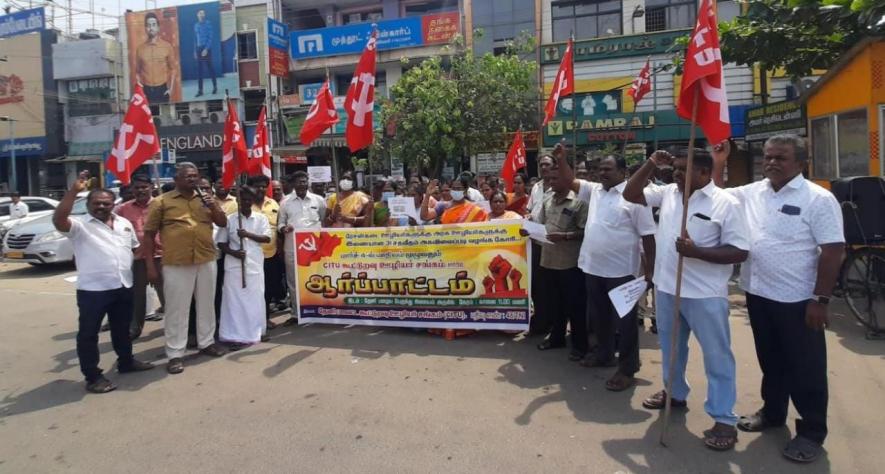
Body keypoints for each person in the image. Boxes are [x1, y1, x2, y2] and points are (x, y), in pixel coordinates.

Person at [716, 135, 844, 463]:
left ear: (800, 163)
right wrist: (718, 163)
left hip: (799, 300)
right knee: (771, 362)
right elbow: (714, 195)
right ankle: (773, 414)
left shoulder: (818, 198)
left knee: (806, 369)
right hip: (758, 294)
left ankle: (811, 432)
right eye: (768, 157)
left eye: (780, 158)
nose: (771, 162)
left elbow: (833, 251)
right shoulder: (753, 192)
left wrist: (821, 299)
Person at [623, 148, 749, 452]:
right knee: (671, 350)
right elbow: (630, 193)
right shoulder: (669, 194)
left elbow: (740, 251)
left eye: (682, 169)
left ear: (705, 173)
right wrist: (652, 162)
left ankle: (723, 419)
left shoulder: (726, 203)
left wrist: (698, 252)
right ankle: (675, 393)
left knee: (717, 358)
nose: (675, 174)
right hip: (667, 290)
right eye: (675, 168)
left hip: (705, 295)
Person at [553, 146, 656, 391]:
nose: (602, 173)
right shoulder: (595, 191)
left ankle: (628, 368)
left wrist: (651, 271)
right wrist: (562, 159)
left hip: (622, 271)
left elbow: (649, 236)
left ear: (623, 172)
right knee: (600, 317)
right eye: (600, 169)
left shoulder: (634, 197)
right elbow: (569, 180)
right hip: (593, 267)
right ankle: (604, 354)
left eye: (608, 169)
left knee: (626, 323)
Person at [53, 171, 154, 393]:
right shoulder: (79, 226)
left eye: (106, 203)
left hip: (123, 286)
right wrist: (73, 191)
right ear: (88, 204)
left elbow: (134, 249)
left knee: (122, 330)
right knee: (88, 334)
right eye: (97, 203)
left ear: (112, 204)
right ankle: (92, 376)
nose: (101, 206)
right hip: (94, 291)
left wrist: (147, 253)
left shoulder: (124, 223)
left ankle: (126, 362)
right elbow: (59, 220)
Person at [144, 163, 229, 375]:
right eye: (187, 176)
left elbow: (222, 222)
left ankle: (206, 342)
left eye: (195, 176)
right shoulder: (161, 202)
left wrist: (214, 205)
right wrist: (150, 267)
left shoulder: (205, 199)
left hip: (206, 258)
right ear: (177, 178)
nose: (192, 179)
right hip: (176, 262)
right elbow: (148, 235)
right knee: (177, 309)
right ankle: (174, 353)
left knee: (206, 304)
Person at [533, 166, 588, 361]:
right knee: (554, 304)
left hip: (570, 263)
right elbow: (539, 225)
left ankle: (580, 345)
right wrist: (529, 230)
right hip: (548, 260)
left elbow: (586, 232)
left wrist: (565, 236)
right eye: (548, 178)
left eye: (555, 178)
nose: (550, 181)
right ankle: (557, 338)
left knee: (575, 306)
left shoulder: (580, 202)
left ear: (567, 179)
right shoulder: (548, 201)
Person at [216, 186, 271, 350]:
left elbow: (266, 238)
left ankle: (257, 330)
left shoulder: (261, 218)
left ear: (253, 201)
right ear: (238, 201)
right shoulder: (230, 219)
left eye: (249, 199)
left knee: (255, 297)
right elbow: (221, 243)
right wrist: (233, 252)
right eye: (243, 199)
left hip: (254, 265)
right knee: (234, 300)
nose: (246, 202)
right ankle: (234, 334)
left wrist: (247, 235)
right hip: (234, 266)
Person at [114, 174, 165, 341]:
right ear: (132, 190)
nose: (141, 190)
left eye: (144, 187)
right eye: (137, 187)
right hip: (136, 259)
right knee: (137, 296)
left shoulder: (162, 204)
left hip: (162, 256)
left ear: (151, 187)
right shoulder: (122, 209)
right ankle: (135, 327)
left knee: (167, 294)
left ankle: (172, 326)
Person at [279, 171, 326, 325]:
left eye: (304, 181)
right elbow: (280, 223)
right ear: (293, 184)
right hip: (292, 247)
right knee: (293, 281)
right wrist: (283, 228)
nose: (302, 184)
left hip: (313, 248)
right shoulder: (285, 202)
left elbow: (323, 219)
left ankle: (317, 310)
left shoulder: (318, 200)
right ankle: (295, 313)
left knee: (315, 278)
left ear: (308, 183)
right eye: (299, 182)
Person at [247, 175, 284, 330]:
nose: (260, 189)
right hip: (250, 256)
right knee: (252, 290)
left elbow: (278, 227)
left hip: (271, 254)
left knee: (268, 289)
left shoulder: (273, 203)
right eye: (257, 186)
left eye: (263, 186)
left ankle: (265, 317)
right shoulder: (244, 204)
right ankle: (251, 320)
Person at [526, 155, 555, 335]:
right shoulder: (536, 187)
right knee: (537, 285)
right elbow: (530, 210)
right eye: (541, 164)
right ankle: (540, 320)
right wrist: (528, 217)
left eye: (547, 164)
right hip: (536, 242)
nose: (544, 167)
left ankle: (552, 322)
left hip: (553, 244)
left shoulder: (560, 186)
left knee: (551, 286)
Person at [136, 12, 176, 103]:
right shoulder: (140, 49)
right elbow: (137, 72)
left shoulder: (167, 46)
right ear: (145, 28)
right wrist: (140, 90)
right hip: (146, 91)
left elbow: (173, 69)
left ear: (158, 27)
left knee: (164, 116)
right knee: (147, 117)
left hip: (162, 90)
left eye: (153, 25)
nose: (151, 28)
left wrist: (171, 89)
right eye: (148, 25)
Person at [421, 175, 489, 224]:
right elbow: (425, 216)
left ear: (465, 191)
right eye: (454, 188)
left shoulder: (474, 209)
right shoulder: (443, 206)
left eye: (459, 188)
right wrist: (427, 195)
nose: (456, 190)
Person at [193, 9, 217, 97]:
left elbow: (210, 37)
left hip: (207, 48)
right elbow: (195, 39)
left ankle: (215, 87)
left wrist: (206, 49)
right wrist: (195, 51)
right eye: (200, 13)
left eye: (203, 13)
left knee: (210, 68)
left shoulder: (208, 24)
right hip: (199, 49)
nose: (202, 15)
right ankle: (200, 90)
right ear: (197, 15)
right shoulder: (195, 25)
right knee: (199, 71)